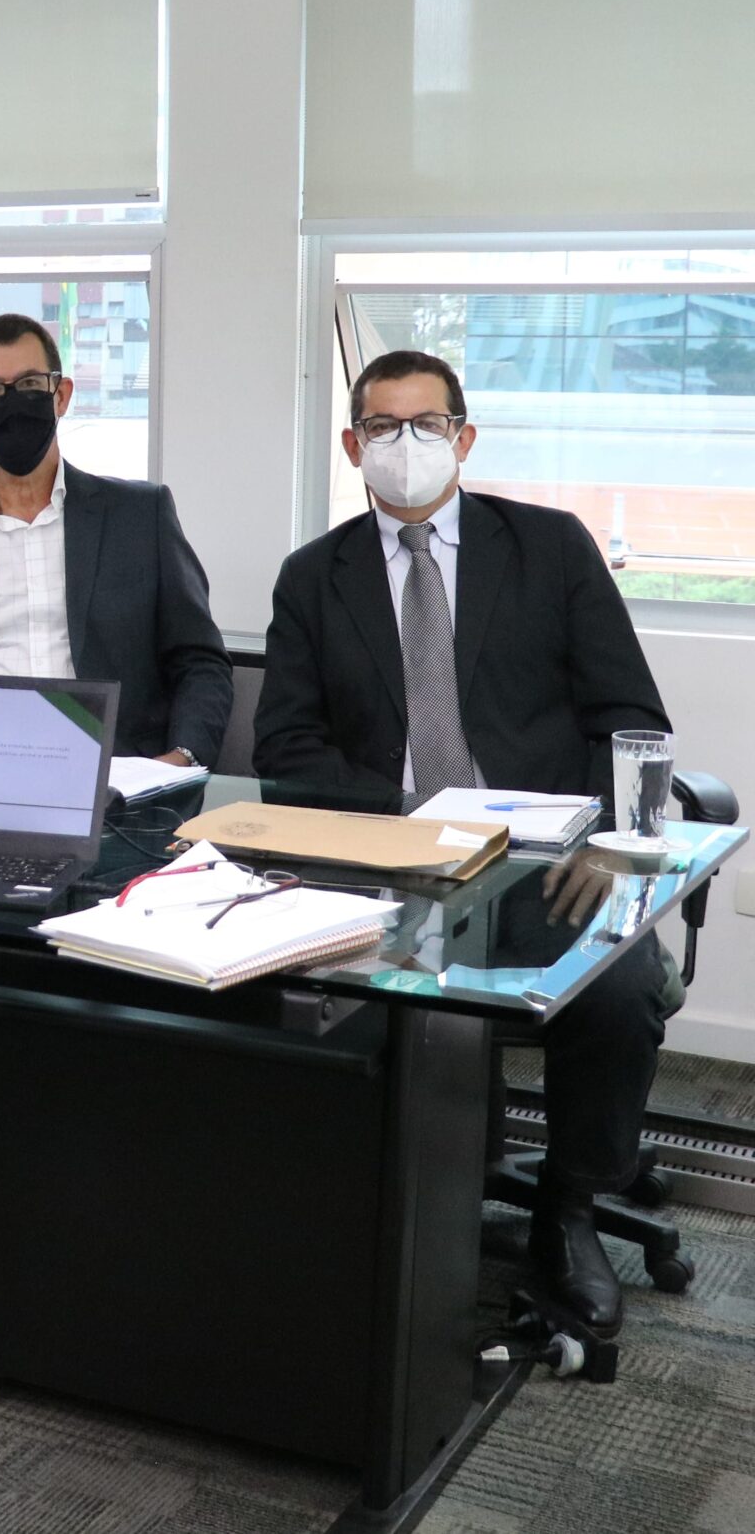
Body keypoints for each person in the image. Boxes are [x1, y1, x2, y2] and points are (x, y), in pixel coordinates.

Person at [254, 347, 671, 1335]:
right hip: (389, 869)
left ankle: (567, 1212)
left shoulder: (549, 548)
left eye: (426, 425)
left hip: (545, 863)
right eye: (383, 428)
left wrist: (612, 841)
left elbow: (631, 719)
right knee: (301, 995)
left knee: (617, 992)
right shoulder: (314, 579)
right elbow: (285, 751)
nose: (406, 446)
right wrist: (405, 817)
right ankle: (364, 1220)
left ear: (463, 437)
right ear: (353, 447)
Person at [0, 313, 232, 764]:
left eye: (28, 385)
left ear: (60, 395)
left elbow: (201, 663)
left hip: (118, 781)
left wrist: (179, 759)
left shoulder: (142, 518)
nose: (9, 402)